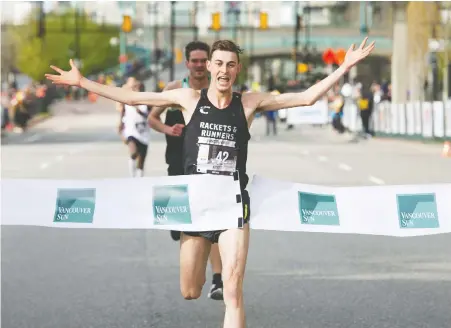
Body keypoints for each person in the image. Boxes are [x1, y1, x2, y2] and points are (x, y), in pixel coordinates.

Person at [45, 37, 375, 328]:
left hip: (232, 207)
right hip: (195, 206)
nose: (223, 70)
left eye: (230, 65)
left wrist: (343, 67)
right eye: (218, 63)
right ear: (210, 67)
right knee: (190, 289)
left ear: (237, 70)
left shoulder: (249, 103)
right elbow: (133, 98)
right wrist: (82, 81)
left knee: (233, 289)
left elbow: (305, 97)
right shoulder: (189, 99)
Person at [148, 40, 224, 301]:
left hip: (209, 166)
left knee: (212, 223)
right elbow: (152, 118)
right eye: (196, 60)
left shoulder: (217, 90)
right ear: (187, 63)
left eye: (205, 61)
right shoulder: (174, 89)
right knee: (182, 225)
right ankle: (195, 266)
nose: (200, 65)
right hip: (178, 163)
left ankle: (218, 279)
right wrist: (169, 129)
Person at [117, 77, 150, 177]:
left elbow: (150, 115)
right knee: (133, 153)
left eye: (139, 87)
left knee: (141, 162)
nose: (137, 89)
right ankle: (132, 177)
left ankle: (139, 180)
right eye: (135, 87)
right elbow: (122, 113)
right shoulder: (127, 101)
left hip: (143, 132)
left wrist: (139, 110)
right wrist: (120, 126)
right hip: (131, 131)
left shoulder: (147, 101)